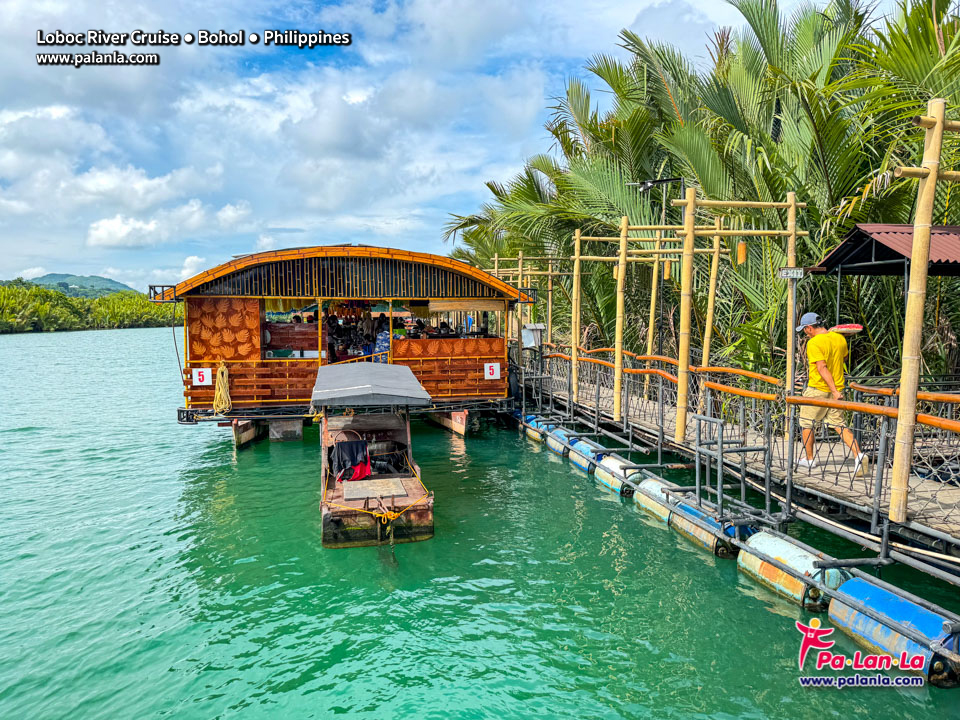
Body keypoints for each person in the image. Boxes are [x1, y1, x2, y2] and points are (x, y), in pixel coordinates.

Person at [795, 312, 867, 475]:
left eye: (805, 330)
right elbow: (844, 357)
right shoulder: (839, 339)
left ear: (809, 328)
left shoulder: (814, 343)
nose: (805, 333)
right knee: (839, 425)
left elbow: (821, 367)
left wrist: (832, 389)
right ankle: (858, 455)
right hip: (838, 389)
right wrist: (835, 391)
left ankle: (809, 459)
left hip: (818, 389)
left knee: (807, 423)